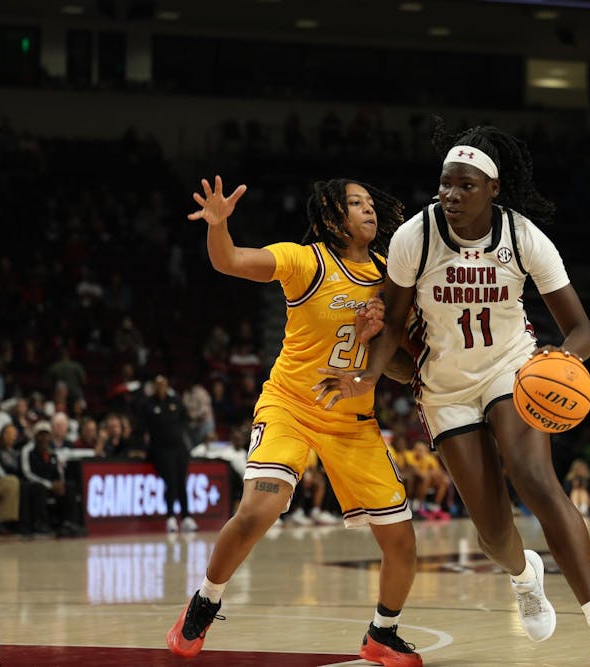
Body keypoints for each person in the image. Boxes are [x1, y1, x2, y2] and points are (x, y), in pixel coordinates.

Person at [315, 122, 590, 667]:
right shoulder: (415, 237)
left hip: (511, 372)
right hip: (444, 387)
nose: (451, 194)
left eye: (465, 185)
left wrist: (558, 363)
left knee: (535, 477)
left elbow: (583, 331)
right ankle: (523, 574)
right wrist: (368, 376)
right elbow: (392, 323)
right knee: (492, 532)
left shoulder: (524, 237)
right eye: (445, 183)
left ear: (492, 190)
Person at [166, 175, 423, 667]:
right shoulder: (306, 260)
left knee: (402, 543)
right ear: (331, 217)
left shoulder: (390, 276)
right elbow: (229, 260)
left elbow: (398, 367)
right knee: (260, 510)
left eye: (371, 203)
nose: (369, 210)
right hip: (291, 406)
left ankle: (382, 634)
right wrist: (218, 226)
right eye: (355, 203)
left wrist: (375, 337)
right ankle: (205, 599)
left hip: (352, 420)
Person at [141, 375, 196, 534]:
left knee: (182, 481)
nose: (162, 388)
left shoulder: (175, 401)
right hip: (161, 449)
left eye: (164, 385)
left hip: (179, 448)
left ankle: (186, 517)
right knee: (170, 481)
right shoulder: (149, 404)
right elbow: (143, 426)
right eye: (158, 385)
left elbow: (185, 419)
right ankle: (171, 517)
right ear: (154, 387)